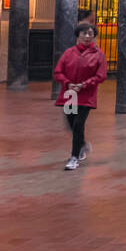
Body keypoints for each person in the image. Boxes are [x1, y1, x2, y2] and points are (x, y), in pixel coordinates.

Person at [52, 21, 108, 171]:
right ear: (78, 35)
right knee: (70, 123)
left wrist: (84, 84)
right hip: (70, 94)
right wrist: (68, 83)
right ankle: (82, 144)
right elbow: (58, 72)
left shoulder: (99, 54)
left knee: (78, 124)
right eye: (84, 33)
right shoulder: (69, 53)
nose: (88, 36)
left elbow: (101, 76)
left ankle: (74, 157)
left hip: (86, 95)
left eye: (91, 34)